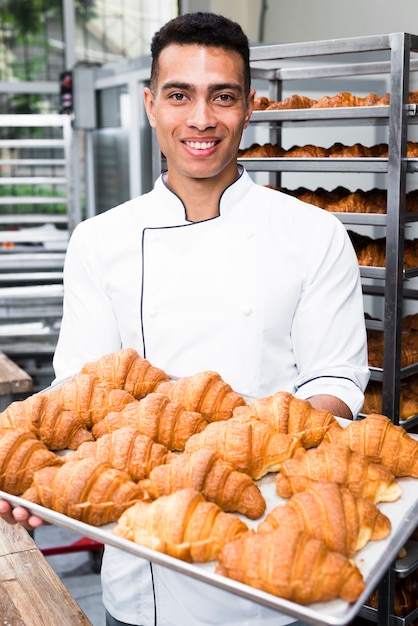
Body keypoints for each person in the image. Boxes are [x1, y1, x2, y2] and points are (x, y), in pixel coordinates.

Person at [0, 11, 370, 626]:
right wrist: (41, 476)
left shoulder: (313, 233)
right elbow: (79, 395)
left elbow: (334, 379)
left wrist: (242, 452)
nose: (201, 119)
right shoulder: (100, 240)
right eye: (180, 95)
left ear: (249, 106)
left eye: (222, 96)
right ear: (150, 104)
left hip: (272, 564)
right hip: (136, 574)